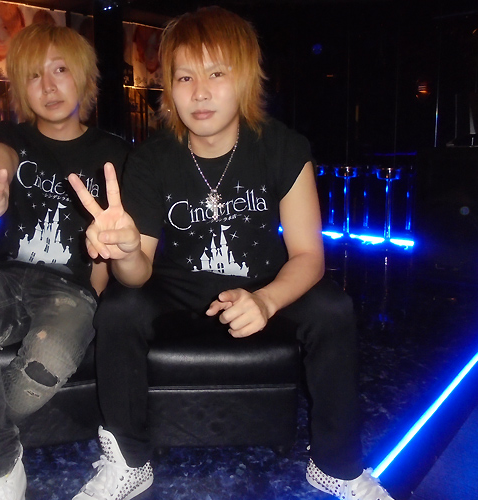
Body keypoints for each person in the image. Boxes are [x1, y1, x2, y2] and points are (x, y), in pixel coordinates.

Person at [68, 7, 395, 500]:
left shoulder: (283, 147)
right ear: (169, 87)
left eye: (216, 73)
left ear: (243, 79)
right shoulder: (152, 160)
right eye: (185, 77)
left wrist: (266, 300)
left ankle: (337, 465)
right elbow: (136, 276)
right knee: (119, 307)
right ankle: (129, 462)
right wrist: (127, 250)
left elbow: (309, 255)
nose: (199, 92)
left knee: (333, 308)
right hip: (176, 289)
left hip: (263, 283)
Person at [0, 22, 131, 500]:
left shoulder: (115, 154)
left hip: (71, 291)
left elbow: (113, 244)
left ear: (84, 77)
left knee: (48, 363)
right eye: (33, 75)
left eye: (60, 70)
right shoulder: (10, 135)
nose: (48, 86)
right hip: (5, 277)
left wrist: (100, 304)